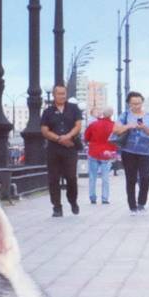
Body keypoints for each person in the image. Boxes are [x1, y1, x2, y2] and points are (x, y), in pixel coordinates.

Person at [40, 83, 83, 217]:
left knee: (71, 177)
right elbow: (44, 130)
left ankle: (73, 201)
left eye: (64, 93)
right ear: (54, 95)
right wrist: (59, 139)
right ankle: (57, 207)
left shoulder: (74, 109)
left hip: (70, 147)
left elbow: (78, 125)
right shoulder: (48, 111)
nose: (62, 96)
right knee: (53, 179)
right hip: (54, 148)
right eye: (59, 94)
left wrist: (68, 137)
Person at [113, 90, 149, 213]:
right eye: (134, 103)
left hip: (145, 152)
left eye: (139, 103)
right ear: (129, 104)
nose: (137, 106)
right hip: (129, 151)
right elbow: (116, 129)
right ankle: (132, 206)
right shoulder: (125, 115)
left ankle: (142, 202)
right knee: (131, 178)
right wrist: (129, 126)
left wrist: (144, 127)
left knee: (145, 178)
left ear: (142, 102)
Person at [83, 107, 117, 205]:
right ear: (111, 115)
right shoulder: (113, 126)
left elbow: (86, 137)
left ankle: (92, 197)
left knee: (92, 176)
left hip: (93, 151)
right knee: (105, 177)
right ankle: (105, 198)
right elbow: (116, 140)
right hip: (107, 153)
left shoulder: (93, 125)